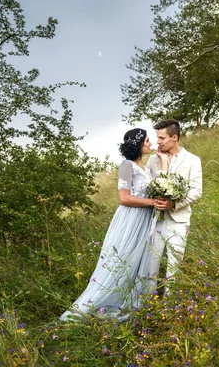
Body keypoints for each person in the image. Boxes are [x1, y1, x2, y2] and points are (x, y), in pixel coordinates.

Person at [60, 128, 167, 321]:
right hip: (130, 218)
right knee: (123, 259)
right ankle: (94, 305)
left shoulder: (148, 169)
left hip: (145, 220)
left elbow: (162, 186)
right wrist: (152, 203)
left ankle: (135, 302)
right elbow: (124, 198)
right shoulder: (127, 166)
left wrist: (164, 161)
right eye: (147, 141)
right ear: (138, 144)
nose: (150, 144)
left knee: (139, 259)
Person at [147, 119, 203, 291]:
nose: (158, 142)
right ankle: (148, 304)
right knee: (151, 266)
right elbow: (147, 187)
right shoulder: (153, 161)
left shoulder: (192, 160)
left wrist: (173, 204)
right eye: (157, 138)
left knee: (173, 267)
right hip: (155, 221)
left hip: (179, 220)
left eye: (162, 138)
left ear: (175, 137)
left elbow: (196, 190)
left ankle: (169, 307)